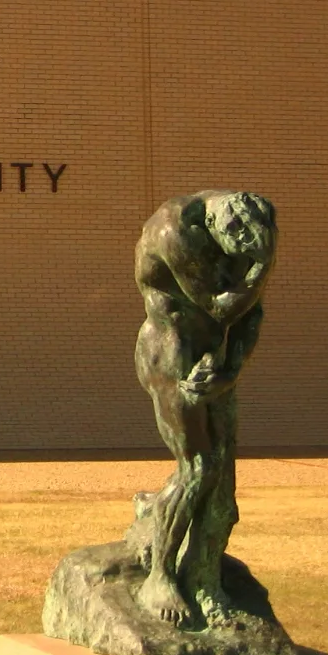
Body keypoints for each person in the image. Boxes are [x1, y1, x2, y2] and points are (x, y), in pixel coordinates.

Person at [130, 190, 276, 627]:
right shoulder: (172, 231)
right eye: (240, 246)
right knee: (197, 468)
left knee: (222, 486)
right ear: (218, 224)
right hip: (170, 353)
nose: (246, 256)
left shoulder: (253, 229)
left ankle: (203, 578)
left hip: (213, 359)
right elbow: (219, 307)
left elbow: (251, 314)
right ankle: (159, 578)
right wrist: (261, 268)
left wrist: (231, 369)